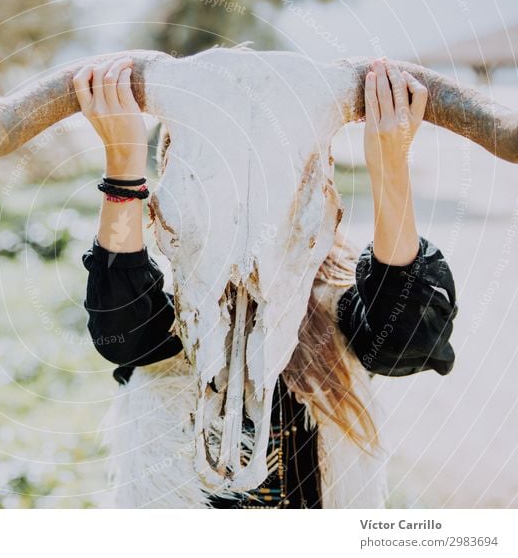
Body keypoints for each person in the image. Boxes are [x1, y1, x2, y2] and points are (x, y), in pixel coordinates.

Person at [75, 55, 458, 508]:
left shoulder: (336, 294)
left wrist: (390, 165)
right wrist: (122, 168)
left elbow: (408, 340)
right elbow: (123, 330)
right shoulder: (175, 290)